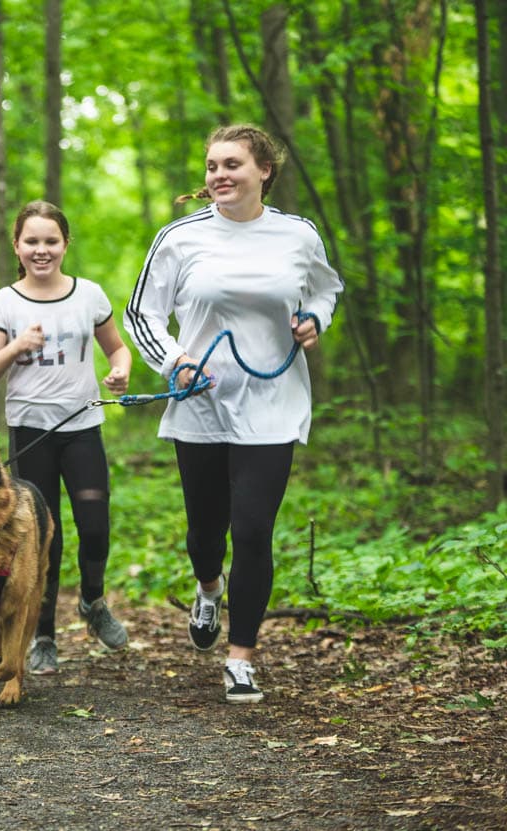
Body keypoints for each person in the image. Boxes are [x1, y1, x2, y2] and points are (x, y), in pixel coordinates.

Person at [123, 124, 343, 703]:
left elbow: (326, 289)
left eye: (232, 164)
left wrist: (314, 320)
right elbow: (141, 314)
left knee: (252, 530)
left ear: (264, 170)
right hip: (201, 405)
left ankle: (240, 658)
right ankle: (207, 587)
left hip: (273, 405)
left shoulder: (297, 234)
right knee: (205, 532)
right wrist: (175, 361)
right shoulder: (180, 237)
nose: (219, 175)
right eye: (212, 165)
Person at [0, 200, 133, 676]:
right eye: (31, 241)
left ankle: (92, 601)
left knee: (94, 525)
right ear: (16, 246)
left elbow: (117, 349)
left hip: (82, 427)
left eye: (51, 241)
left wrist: (120, 372)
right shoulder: (4, 303)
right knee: (42, 539)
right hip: (31, 431)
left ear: (65, 244)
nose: (41, 250)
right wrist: (17, 347)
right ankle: (43, 635)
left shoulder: (89, 295)